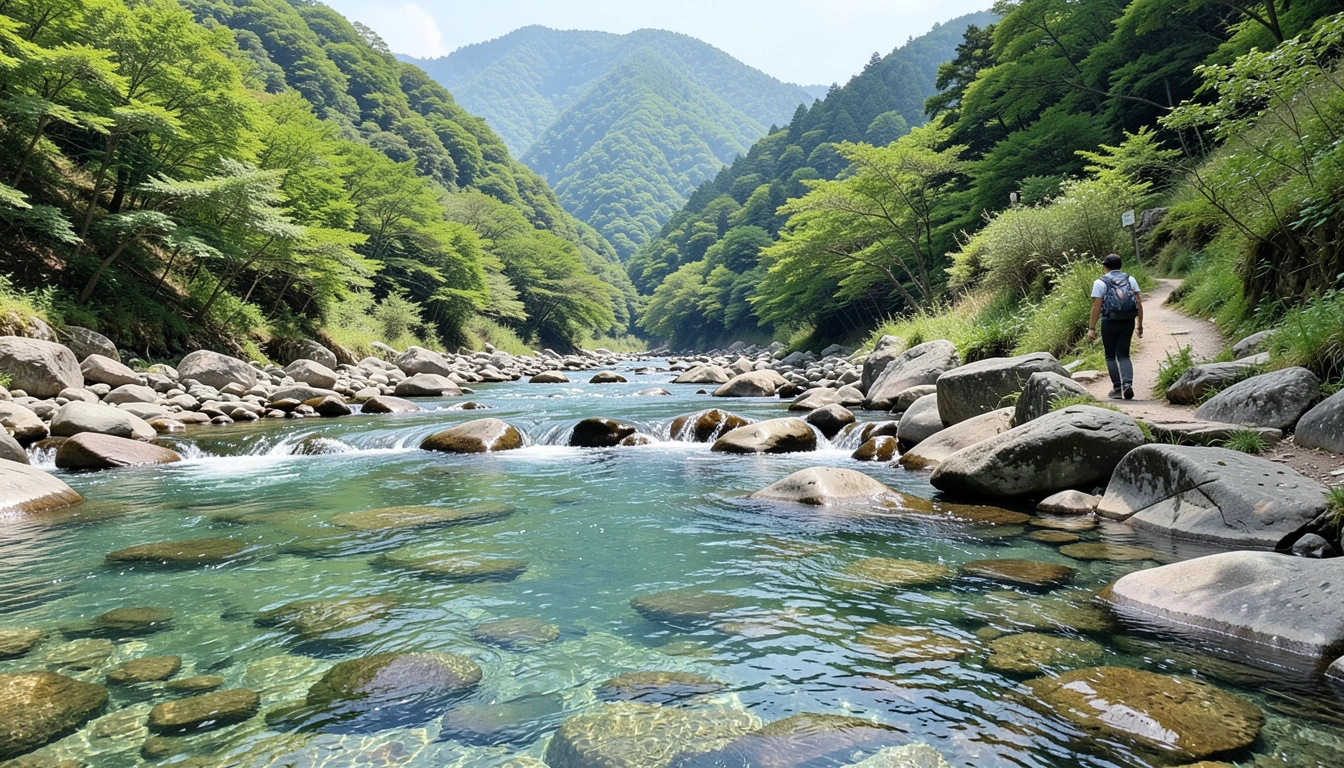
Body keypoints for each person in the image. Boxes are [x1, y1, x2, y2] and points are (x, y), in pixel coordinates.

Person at [1086, 253, 1143, 400]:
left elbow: (1097, 305)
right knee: (1124, 355)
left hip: (1109, 321)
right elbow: (1138, 302)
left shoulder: (1100, 282)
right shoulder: (1130, 279)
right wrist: (1140, 325)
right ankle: (1127, 384)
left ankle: (1117, 388)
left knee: (1110, 356)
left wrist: (1091, 328)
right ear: (1120, 265)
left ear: (1105, 266)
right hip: (1128, 320)